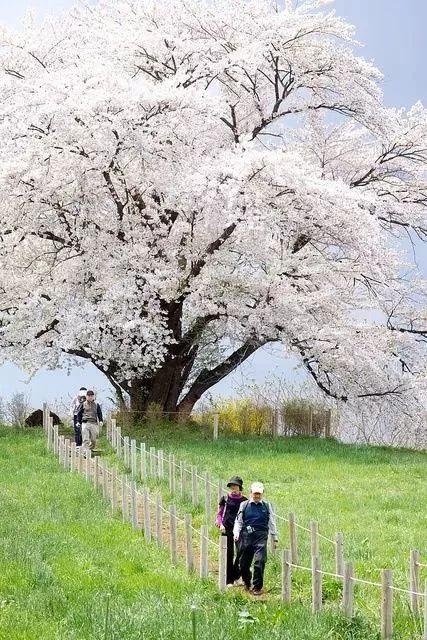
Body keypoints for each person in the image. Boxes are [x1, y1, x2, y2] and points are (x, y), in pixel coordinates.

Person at [233, 482, 278, 596]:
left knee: (260, 561)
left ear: (262, 494)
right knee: (243, 563)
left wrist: (274, 537)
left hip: (261, 537)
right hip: (246, 537)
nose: (257, 496)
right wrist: (236, 533)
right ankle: (247, 582)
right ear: (250, 493)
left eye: (259, 494)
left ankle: (257, 587)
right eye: (255, 493)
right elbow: (238, 521)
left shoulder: (267, 506)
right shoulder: (244, 505)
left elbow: (271, 522)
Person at [215, 476, 247, 586]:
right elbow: (219, 514)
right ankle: (229, 579)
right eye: (232, 486)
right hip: (227, 528)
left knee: (241, 552)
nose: (234, 487)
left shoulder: (245, 501)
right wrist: (220, 524)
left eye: (236, 485)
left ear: (239, 487)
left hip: (240, 530)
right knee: (228, 553)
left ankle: (237, 574)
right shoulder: (225, 498)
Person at [76, 390, 103, 454]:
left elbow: (99, 413)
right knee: (86, 439)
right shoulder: (83, 404)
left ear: (93, 397)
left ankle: (89, 449)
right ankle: (86, 452)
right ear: (86, 396)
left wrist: (101, 420)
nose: (90, 397)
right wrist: (78, 421)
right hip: (85, 423)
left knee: (93, 440)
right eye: (89, 396)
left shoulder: (97, 405)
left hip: (94, 423)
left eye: (91, 396)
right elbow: (79, 413)